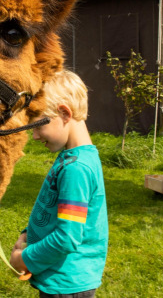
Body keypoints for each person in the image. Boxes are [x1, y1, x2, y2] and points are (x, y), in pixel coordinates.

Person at [11, 70, 108, 297]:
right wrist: (28, 234)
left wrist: (24, 259)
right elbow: (57, 210)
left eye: (38, 126)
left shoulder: (77, 169)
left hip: (67, 285)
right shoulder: (72, 158)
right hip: (63, 279)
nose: (34, 136)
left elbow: (67, 237)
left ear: (64, 113)